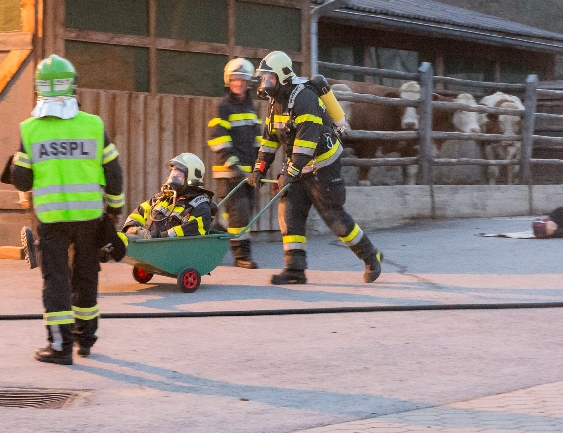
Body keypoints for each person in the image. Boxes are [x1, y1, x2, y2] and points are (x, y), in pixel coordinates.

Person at [5, 55, 124, 365]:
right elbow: (113, 172)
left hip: (52, 219)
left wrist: (17, 166)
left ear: (39, 89)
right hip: (89, 218)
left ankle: (60, 347)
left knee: (56, 281)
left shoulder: (31, 129)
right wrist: (115, 208)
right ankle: (86, 339)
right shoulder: (93, 125)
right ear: (72, 86)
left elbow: (22, 179)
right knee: (86, 277)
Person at [248, 51, 382, 285]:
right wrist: (259, 168)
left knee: (334, 218)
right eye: (263, 78)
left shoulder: (304, 98)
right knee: (289, 214)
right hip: (299, 166)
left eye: (268, 77)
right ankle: (295, 270)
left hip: (323, 165)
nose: (264, 82)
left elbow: (306, 141)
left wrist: (290, 172)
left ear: (282, 76)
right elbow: (270, 139)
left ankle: (371, 256)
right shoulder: (275, 101)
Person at [208, 58, 261, 268]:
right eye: (235, 80)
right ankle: (242, 256)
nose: (239, 83)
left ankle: (214, 233)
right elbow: (217, 138)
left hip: (248, 173)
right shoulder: (223, 107)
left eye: (243, 80)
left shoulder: (251, 108)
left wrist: (260, 166)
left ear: (249, 83)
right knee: (240, 212)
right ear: (228, 82)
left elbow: (258, 140)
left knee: (239, 213)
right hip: (229, 172)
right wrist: (232, 165)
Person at [122, 153, 215, 239]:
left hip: (171, 250)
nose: (172, 179)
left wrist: (150, 236)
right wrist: (132, 228)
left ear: (191, 179)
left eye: (178, 176)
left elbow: (178, 236)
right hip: (148, 248)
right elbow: (136, 215)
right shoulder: (160, 199)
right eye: (172, 174)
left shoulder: (200, 208)